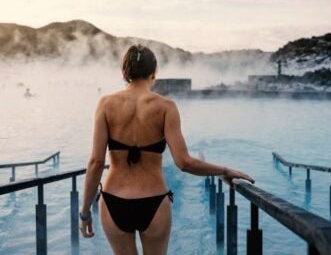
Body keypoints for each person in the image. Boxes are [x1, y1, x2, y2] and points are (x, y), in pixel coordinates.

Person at [79, 45, 254, 253]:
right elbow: (184, 162)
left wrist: (84, 212)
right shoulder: (165, 107)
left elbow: (96, 163)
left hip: (113, 199)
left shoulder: (105, 104)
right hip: (153, 200)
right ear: (154, 73)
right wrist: (224, 171)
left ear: (125, 73)